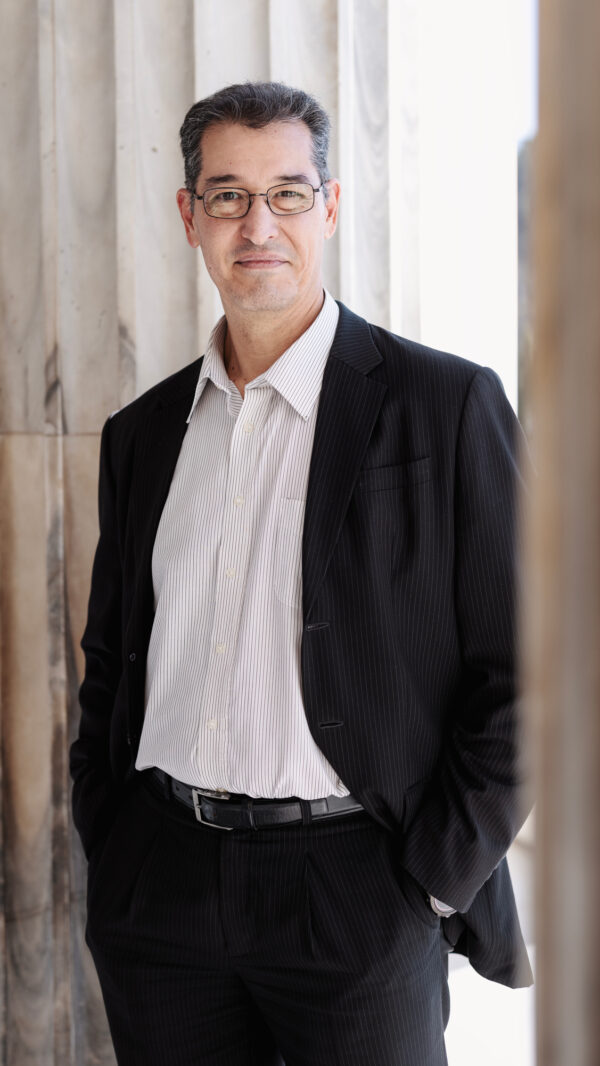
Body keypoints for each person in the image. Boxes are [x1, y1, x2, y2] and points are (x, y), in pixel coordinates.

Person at [70, 81, 532, 1066]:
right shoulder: (142, 434)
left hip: (360, 887)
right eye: (228, 195)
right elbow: (111, 656)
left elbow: (531, 673)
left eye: (286, 192)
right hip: (162, 884)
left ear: (329, 207)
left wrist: (433, 881)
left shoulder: (446, 404)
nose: (258, 225)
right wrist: (109, 838)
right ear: (190, 215)